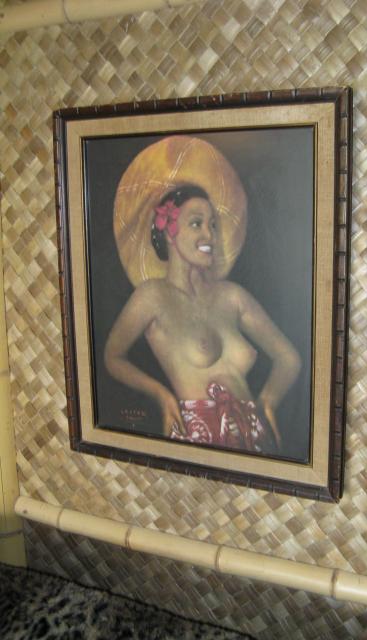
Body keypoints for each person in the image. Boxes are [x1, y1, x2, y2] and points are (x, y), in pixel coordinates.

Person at [104, 135, 300, 455]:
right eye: (196, 223)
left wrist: (267, 401)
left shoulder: (233, 296)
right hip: (200, 436)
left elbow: (289, 358)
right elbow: (112, 356)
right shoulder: (152, 296)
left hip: (257, 439)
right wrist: (161, 395)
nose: (209, 234)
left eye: (212, 224)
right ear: (169, 231)